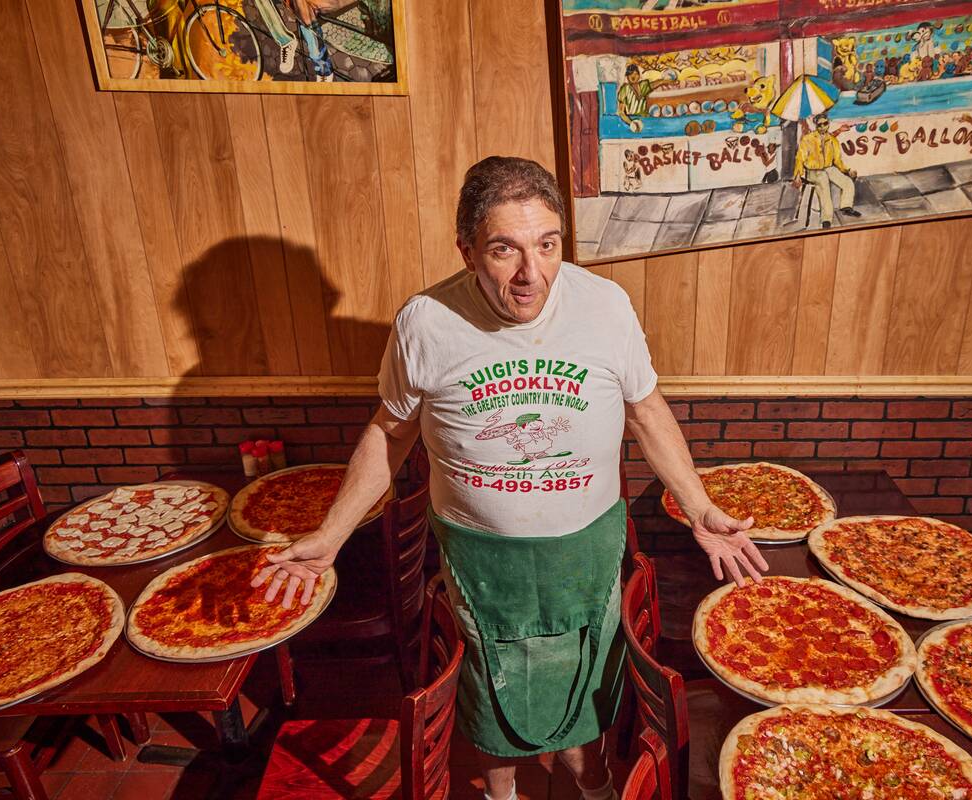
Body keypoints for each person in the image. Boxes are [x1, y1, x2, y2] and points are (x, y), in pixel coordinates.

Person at [253, 156, 769, 800]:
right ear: (467, 250)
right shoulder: (426, 321)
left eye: (547, 246)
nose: (532, 275)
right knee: (488, 692)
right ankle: (503, 796)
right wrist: (331, 536)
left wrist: (699, 508)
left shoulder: (606, 306)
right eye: (505, 250)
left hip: (586, 547)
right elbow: (390, 433)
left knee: (589, 680)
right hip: (480, 558)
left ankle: (595, 783)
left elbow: (646, 410)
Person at [792, 114, 861, 229]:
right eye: (820, 125)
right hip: (814, 170)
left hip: (829, 168)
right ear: (816, 125)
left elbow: (837, 160)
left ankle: (846, 207)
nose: (823, 127)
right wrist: (797, 175)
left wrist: (847, 170)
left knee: (847, 182)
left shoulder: (832, 140)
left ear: (828, 124)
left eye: (825, 124)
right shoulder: (807, 139)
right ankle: (826, 219)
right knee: (824, 188)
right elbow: (800, 158)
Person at [617, 64, 671, 131]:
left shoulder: (643, 86)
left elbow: (657, 83)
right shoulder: (624, 89)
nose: (633, 76)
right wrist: (631, 123)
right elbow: (621, 112)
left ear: (639, 75)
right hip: (632, 120)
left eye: (636, 74)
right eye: (630, 74)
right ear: (627, 77)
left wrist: (668, 81)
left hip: (645, 119)